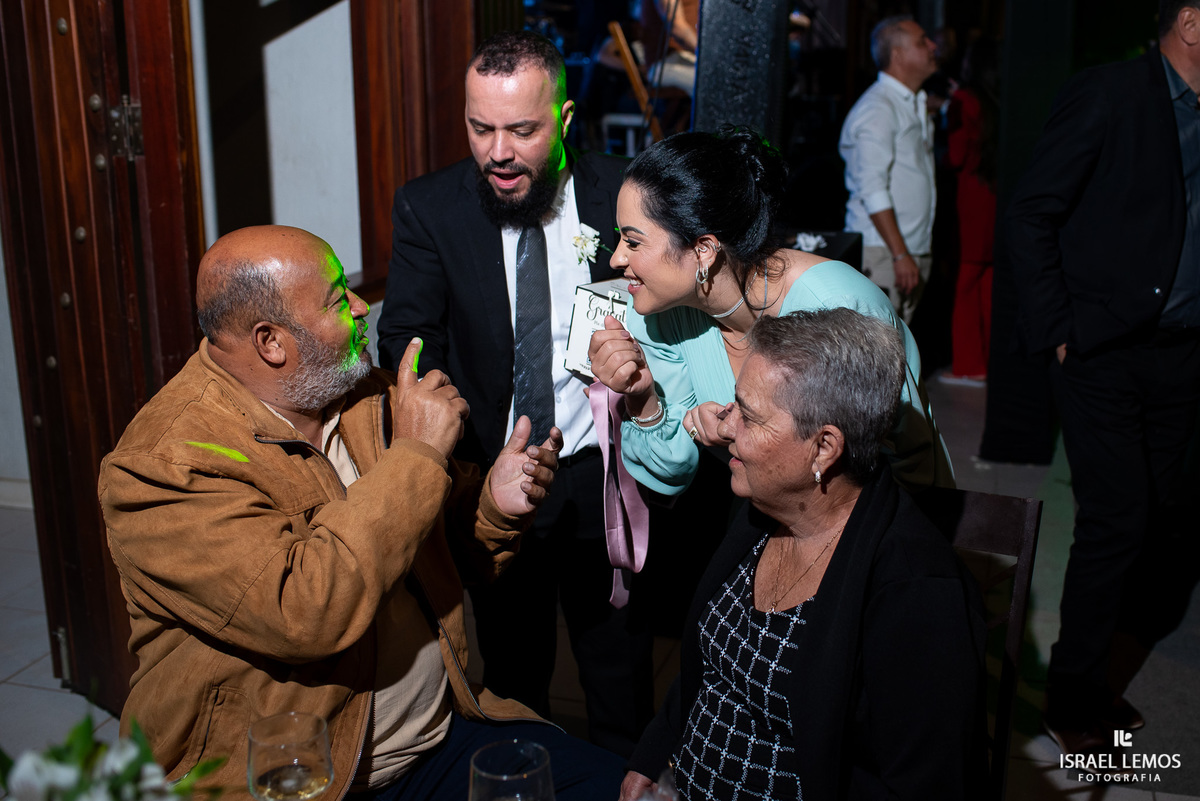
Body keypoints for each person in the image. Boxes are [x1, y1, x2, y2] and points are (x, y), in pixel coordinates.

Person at [97, 226, 625, 801]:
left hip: (438, 740)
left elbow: (440, 535)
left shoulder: (361, 393)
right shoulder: (163, 466)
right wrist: (418, 454)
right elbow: (307, 609)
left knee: (623, 789)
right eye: (335, 298)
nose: (359, 307)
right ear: (271, 342)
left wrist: (494, 505)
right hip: (292, 777)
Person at [375, 30, 654, 756]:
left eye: (522, 130)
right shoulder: (429, 208)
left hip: (601, 469)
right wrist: (445, 418)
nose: (498, 152)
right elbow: (405, 335)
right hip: (495, 480)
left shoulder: (621, 194)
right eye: (480, 127)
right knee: (515, 673)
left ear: (563, 122)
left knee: (618, 666)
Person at [619, 309, 987, 801]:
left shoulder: (915, 589)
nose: (726, 427)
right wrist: (655, 751)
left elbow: (925, 786)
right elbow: (710, 664)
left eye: (748, 416)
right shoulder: (762, 513)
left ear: (823, 449)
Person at [1005, 0, 1200, 754]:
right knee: (1117, 517)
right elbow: (1031, 212)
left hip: (1182, 354)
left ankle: (1097, 670)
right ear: (1189, 22)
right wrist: (1060, 329)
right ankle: (1073, 694)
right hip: (1102, 350)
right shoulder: (1113, 93)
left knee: (1152, 519)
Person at [587, 128, 953, 496]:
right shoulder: (659, 315)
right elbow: (672, 470)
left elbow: (910, 455)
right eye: (619, 238)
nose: (616, 258)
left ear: (703, 250)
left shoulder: (836, 306)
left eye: (633, 241)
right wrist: (641, 397)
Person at [838, 15, 940, 323]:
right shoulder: (878, 108)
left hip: (908, 249)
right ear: (897, 55)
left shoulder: (911, 102)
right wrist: (899, 254)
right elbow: (872, 189)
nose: (932, 46)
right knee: (875, 357)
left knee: (898, 349)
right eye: (922, 41)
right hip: (884, 252)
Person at [943, 37, 1000, 384]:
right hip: (994, 195)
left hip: (969, 199)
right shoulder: (1000, 97)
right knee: (988, 284)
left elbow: (955, 156)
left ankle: (967, 365)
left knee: (964, 283)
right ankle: (991, 362)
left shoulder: (964, 100)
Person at [641, 0, 700, 96]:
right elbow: (676, 26)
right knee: (715, 80)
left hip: (688, 57)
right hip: (663, 64)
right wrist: (708, 55)